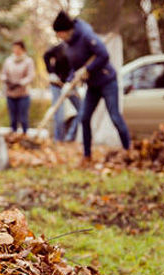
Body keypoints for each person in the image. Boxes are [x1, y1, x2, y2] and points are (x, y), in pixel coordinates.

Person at [53, 11, 131, 163]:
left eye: (59, 33)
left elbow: (103, 55)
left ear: (66, 30)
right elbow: (75, 68)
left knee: (115, 117)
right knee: (84, 118)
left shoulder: (86, 35)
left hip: (107, 81)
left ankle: (128, 150)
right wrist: (69, 81)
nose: (58, 36)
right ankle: (87, 155)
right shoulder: (68, 44)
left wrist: (88, 69)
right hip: (93, 86)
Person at [44, 42, 82, 141]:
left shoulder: (78, 50)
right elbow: (46, 56)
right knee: (59, 114)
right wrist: (51, 72)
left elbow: (77, 68)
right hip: (57, 84)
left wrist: (69, 81)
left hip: (71, 85)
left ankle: (70, 137)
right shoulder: (59, 48)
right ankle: (58, 140)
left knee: (82, 111)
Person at [1, 41, 35, 134]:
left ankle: (24, 135)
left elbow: (30, 76)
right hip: (10, 93)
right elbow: (3, 74)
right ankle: (13, 136)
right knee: (13, 118)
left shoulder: (28, 61)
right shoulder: (8, 61)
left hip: (23, 94)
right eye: (14, 48)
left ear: (23, 49)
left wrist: (20, 83)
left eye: (18, 48)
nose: (16, 50)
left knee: (23, 118)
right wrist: (7, 81)